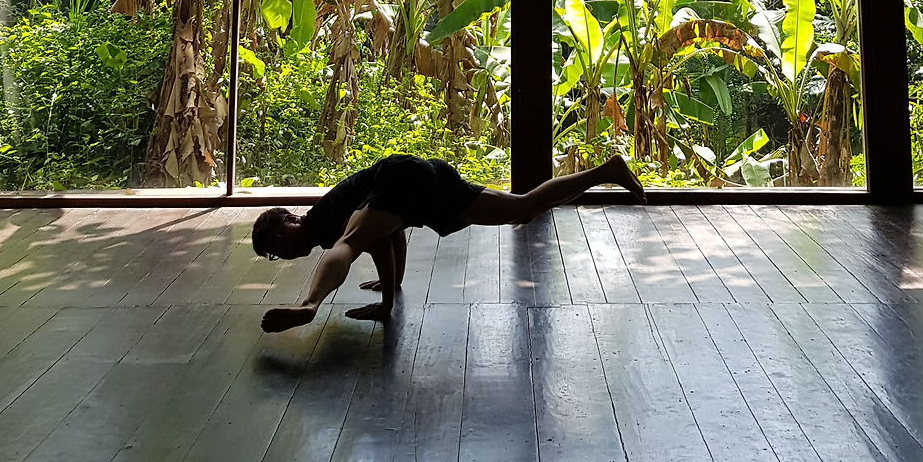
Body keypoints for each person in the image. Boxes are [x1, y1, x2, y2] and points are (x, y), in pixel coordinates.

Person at [251, 152, 645, 330]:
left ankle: (309, 306)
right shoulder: (343, 216)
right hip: (426, 179)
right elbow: (389, 235)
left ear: (291, 218)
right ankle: (605, 172)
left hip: (403, 177)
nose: (282, 250)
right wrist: (392, 288)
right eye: (274, 252)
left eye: (278, 238)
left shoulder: (321, 219)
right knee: (523, 208)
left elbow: (358, 243)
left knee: (348, 243)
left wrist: (383, 304)